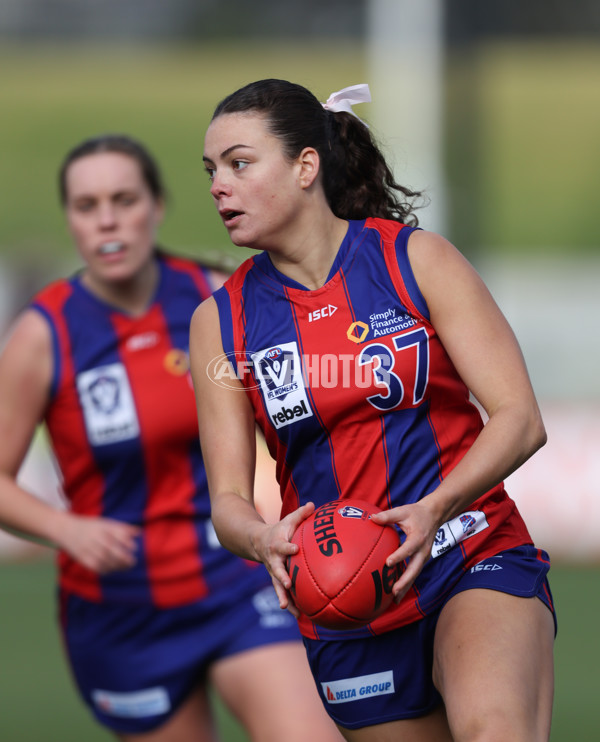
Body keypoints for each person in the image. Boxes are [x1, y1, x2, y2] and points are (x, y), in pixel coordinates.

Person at [189, 80, 556, 742]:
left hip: (465, 547)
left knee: (493, 727)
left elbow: (519, 419)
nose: (219, 185)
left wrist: (435, 506)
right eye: (212, 170)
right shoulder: (220, 322)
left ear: (306, 167)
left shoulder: (415, 260)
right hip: (343, 603)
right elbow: (227, 504)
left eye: (240, 163)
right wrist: (261, 539)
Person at [0, 133, 344, 742]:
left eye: (124, 199)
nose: (108, 220)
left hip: (235, 578)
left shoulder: (216, 297)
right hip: (122, 610)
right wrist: (66, 529)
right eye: (86, 205)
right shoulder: (42, 335)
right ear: (71, 220)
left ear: (157, 208)